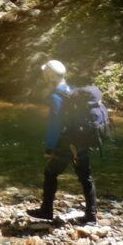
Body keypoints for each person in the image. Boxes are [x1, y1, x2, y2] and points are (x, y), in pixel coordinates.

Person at [27, 59, 98, 224]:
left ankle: (46, 210)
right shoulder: (72, 90)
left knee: (50, 173)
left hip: (67, 142)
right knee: (86, 177)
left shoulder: (56, 96)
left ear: (49, 76)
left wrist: (50, 147)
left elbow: (55, 124)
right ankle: (91, 215)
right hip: (82, 138)